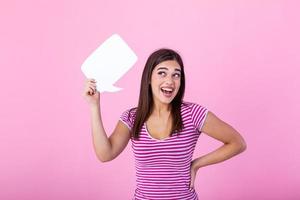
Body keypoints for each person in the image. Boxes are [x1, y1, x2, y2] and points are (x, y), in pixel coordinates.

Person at [82, 48, 247, 200]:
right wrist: (94, 106)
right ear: (149, 78)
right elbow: (105, 154)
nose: (170, 81)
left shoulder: (193, 114)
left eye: (176, 75)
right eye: (162, 73)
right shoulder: (132, 117)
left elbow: (238, 143)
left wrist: (197, 164)